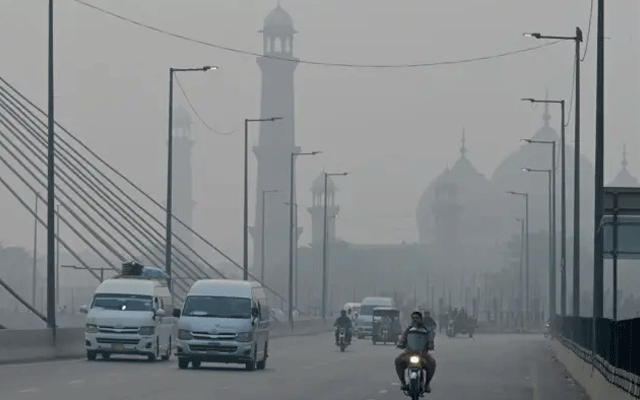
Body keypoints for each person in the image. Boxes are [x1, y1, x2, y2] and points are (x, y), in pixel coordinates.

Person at [395, 311, 437, 393]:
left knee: (432, 363)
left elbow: (430, 339)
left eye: (417, 318)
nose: (415, 320)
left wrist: (431, 345)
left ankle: (427, 384)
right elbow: (403, 338)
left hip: (422, 355)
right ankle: (403, 383)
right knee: (398, 361)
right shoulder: (408, 330)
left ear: (421, 319)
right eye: (413, 318)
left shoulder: (426, 330)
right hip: (409, 354)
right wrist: (400, 344)